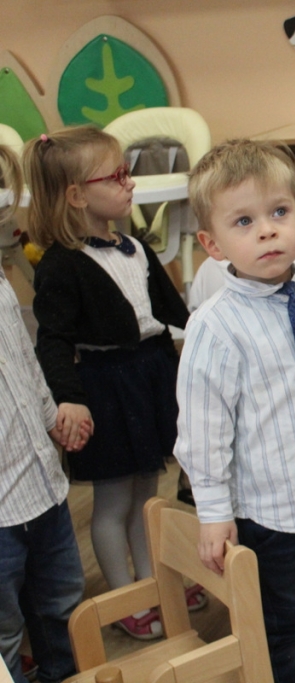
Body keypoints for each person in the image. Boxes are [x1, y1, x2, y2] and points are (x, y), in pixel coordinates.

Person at [175, 139, 295, 683]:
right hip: (272, 512)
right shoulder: (214, 327)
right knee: (283, 626)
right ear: (212, 244)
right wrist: (214, 511)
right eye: (244, 221)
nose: (267, 231)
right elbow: (203, 431)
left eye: (279, 212)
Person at [24, 127, 194, 641]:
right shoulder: (60, 265)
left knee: (147, 493)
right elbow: (53, 341)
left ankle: (153, 582)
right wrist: (69, 399)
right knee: (114, 501)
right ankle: (126, 599)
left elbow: (174, 312)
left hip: (150, 373)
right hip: (106, 387)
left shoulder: (135, 247)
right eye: (117, 176)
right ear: (77, 196)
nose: (130, 183)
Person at [0, 145, 89, 683]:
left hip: (44, 490)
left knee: (62, 608)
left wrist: (51, 414)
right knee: (6, 633)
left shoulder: (2, 288)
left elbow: (25, 364)